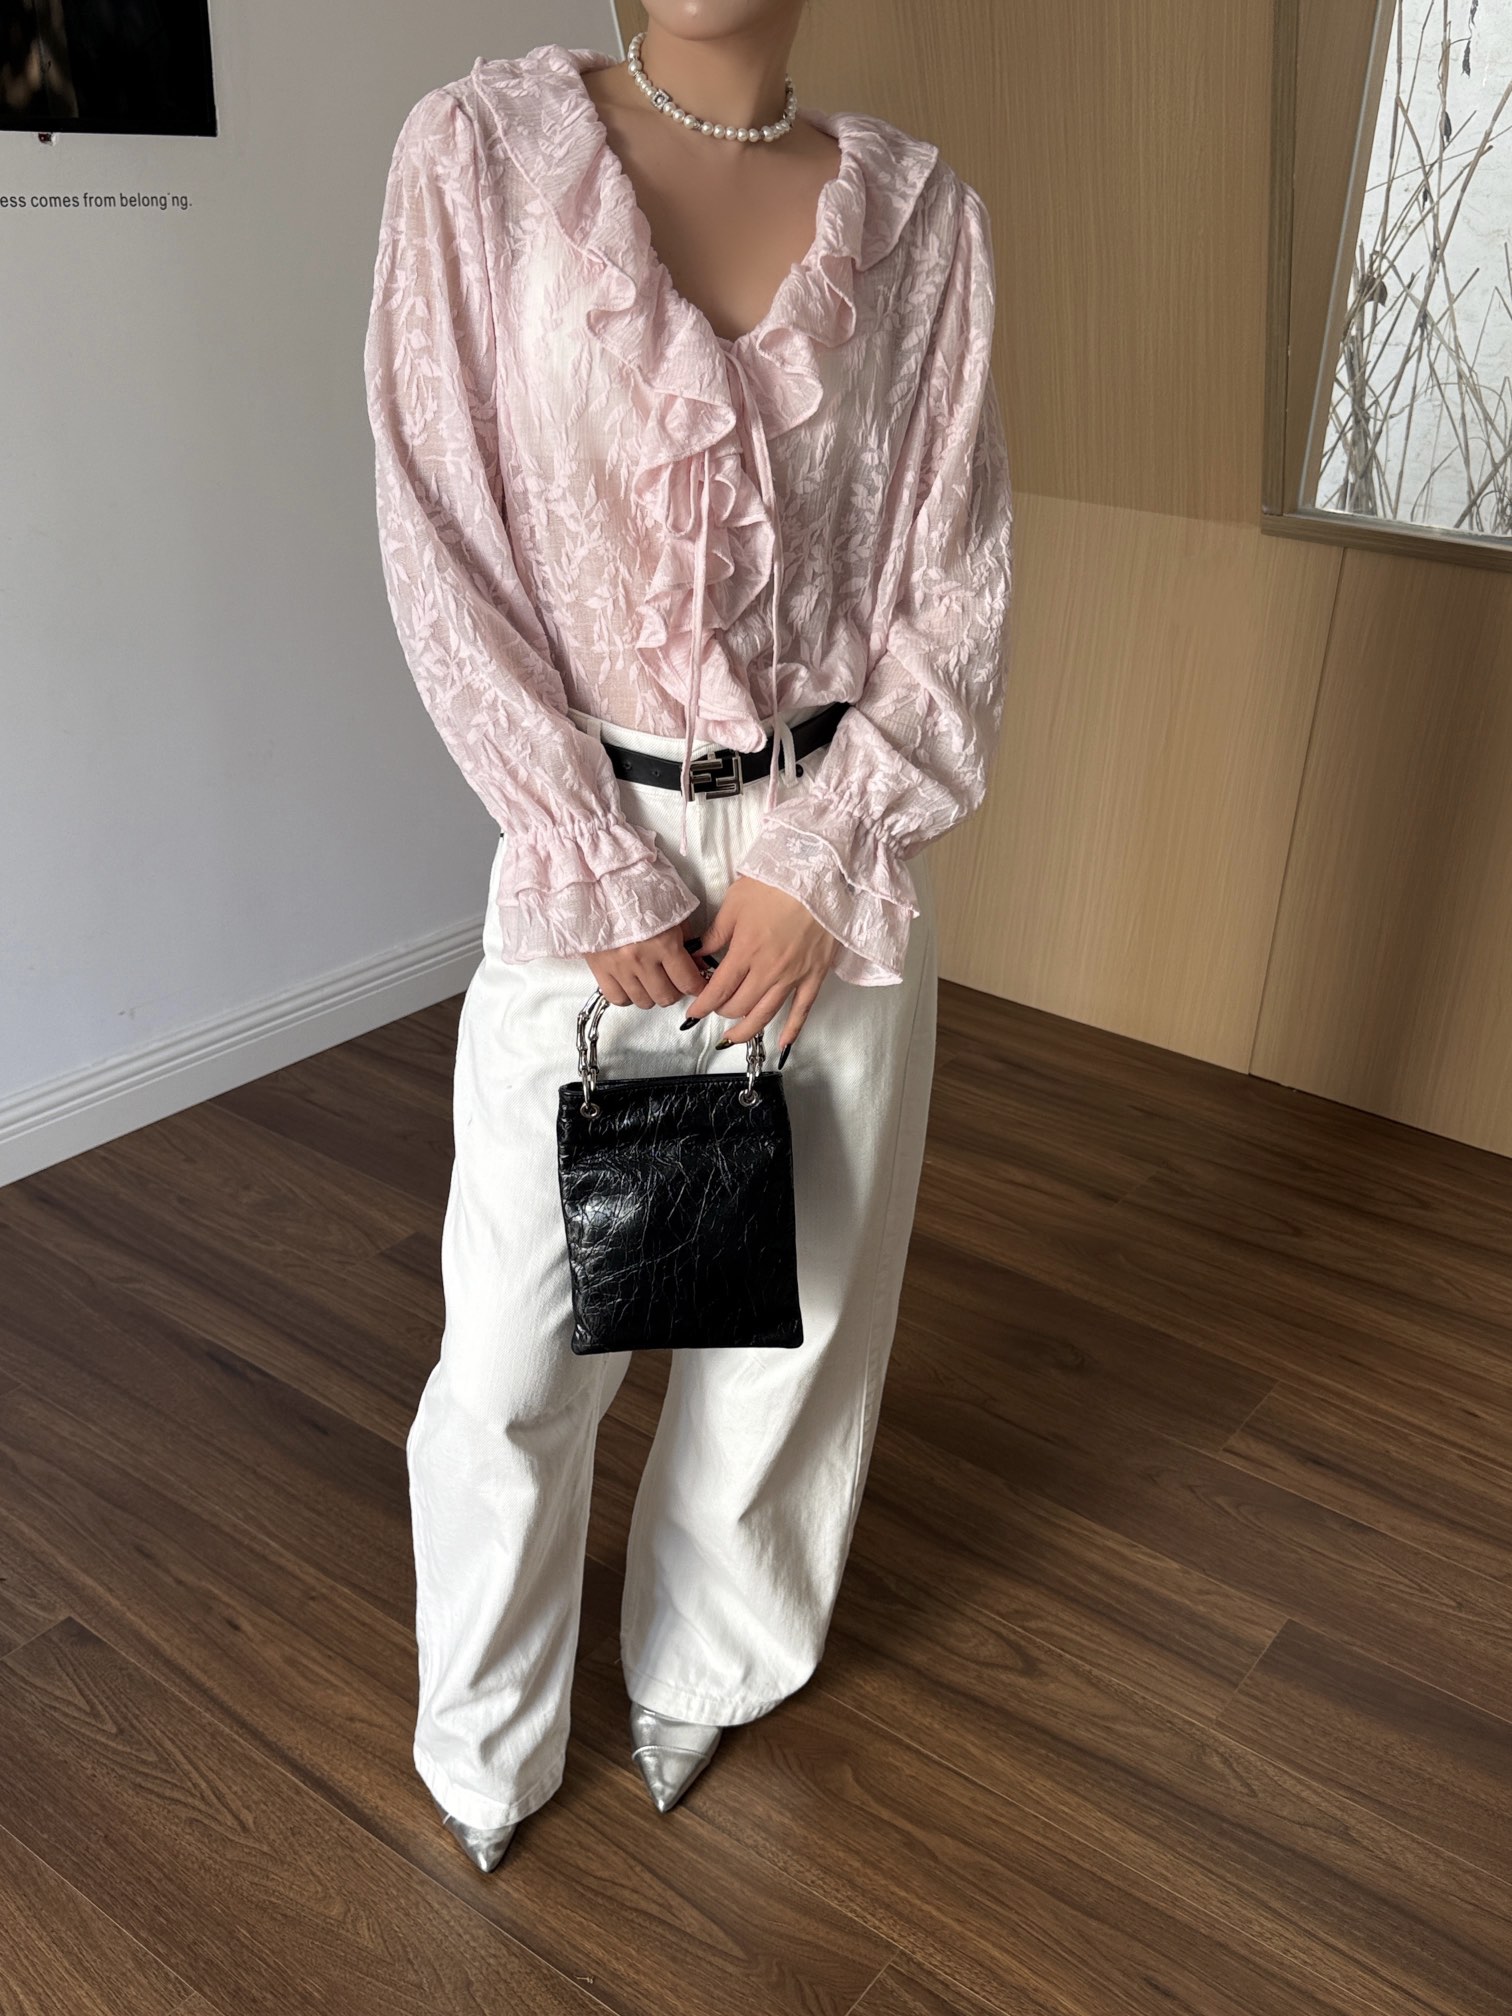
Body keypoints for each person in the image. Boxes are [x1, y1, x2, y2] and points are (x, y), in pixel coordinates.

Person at [363, 3, 1014, 1873]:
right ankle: (487, 1729)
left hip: (828, 861)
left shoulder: (925, 222)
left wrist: (824, 853)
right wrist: (587, 848)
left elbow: (957, 575)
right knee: (517, 1343)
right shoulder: (480, 158)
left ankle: (709, 1662)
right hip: (594, 851)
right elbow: (439, 533)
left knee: (790, 1325)